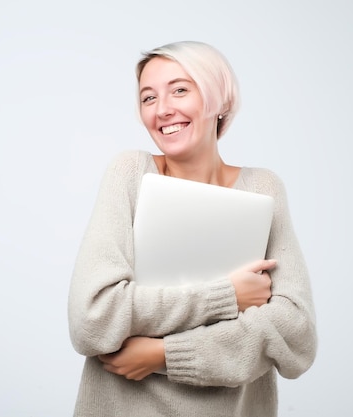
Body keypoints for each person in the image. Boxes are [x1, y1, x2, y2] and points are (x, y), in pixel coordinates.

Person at [68, 40, 317, 417]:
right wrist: (226, 297)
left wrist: (163, 354)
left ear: (220, 99)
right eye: (148, 98)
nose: (163, 110)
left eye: (180, 90)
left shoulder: (263, 188)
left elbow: (295, 336)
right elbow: (94, 317)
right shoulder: (131, 173)